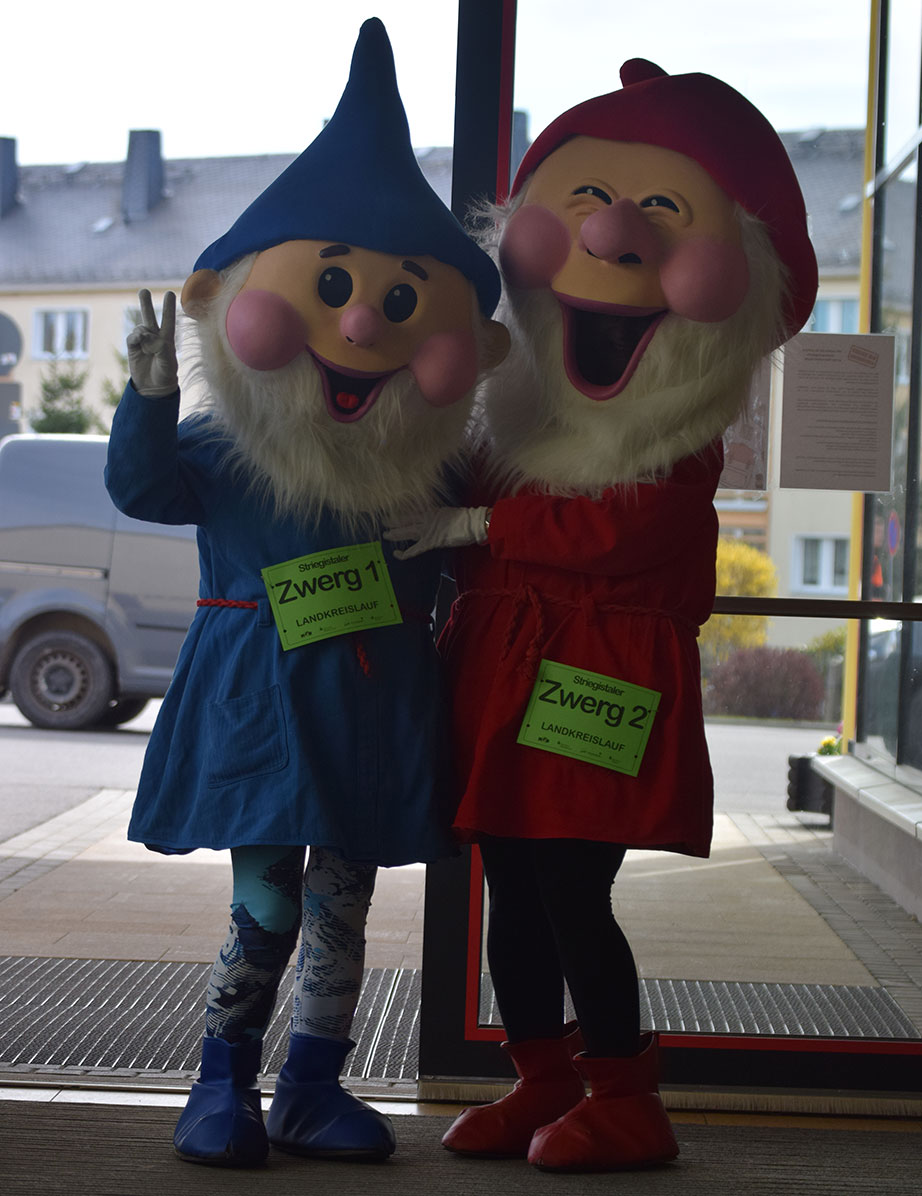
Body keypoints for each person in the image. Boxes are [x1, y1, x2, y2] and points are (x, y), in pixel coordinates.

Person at [387, 57, 817, 1172]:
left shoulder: (680, 432)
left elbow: (627, 531)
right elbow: (444, 495)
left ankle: (628, 1096)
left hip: (598, 673)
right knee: (511, 888)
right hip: (500, 664)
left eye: (662, 211)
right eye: (584, 202)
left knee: (574, 887)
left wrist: (481, 527)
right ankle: (541, 1077)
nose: (615, 234)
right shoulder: (512, 410)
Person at [105, 18, 507, 1169]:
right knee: (268, 900)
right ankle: (220, 1078)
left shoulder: (433, 467)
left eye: (399, 300)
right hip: (259, 700)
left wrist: (477, 523)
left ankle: (314, 1086)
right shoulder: (230, 451)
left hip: (370, 703)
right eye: (330, 285)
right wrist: (147, 396)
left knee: (342, 906)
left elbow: (501, 550)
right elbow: (144, 487)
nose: (361, 322)